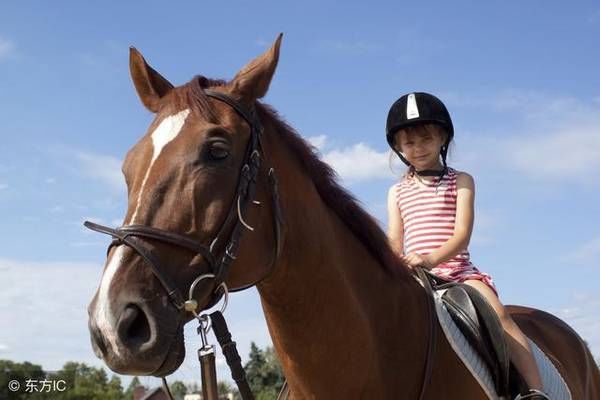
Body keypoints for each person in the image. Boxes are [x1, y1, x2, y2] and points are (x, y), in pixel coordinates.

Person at [385, 92, 550, 400]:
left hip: (458, 272)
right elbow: (395, 239)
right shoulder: (396, 192)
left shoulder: (461, 180)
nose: (418, 148)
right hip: (416, 276)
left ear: (442, 137)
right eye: (409, 143)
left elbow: (462, 234)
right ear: (398, 147)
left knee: (499, 315)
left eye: (425, 139)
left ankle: (534, 389)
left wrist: (429, 259)